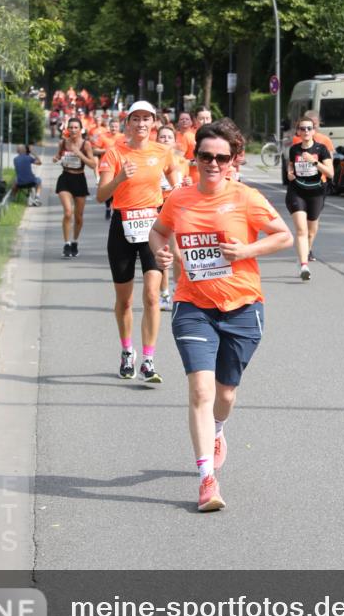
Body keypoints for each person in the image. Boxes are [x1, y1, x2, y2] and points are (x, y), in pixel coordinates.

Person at [149, 120, 293, 512]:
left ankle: (217, 429)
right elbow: (159, 232)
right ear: (194, 157)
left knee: (225, 394)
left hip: (242, 306)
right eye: (206, 156)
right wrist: (161, 253)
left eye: (221, 158)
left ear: (233, 161)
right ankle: (206, 480)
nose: (213, 163)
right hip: (193, 305)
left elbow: (284, 235)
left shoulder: (246, 197)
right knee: (201, 391)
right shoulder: (179, 198)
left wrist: (247, 251)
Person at [97, 101, 181, 384]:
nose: (141, 124)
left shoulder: (162, 152)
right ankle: (126, 352)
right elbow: (101, 195)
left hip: (152, 228)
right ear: (128, 123)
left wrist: (178, 188)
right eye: (136, 119)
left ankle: (148, 359)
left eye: (147, 119)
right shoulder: (114, 153)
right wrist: (120, 178)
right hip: (122, 227)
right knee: (125, 300)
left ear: (153, 123)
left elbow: (175, 181)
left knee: (152, 295)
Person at [286, 118, 334, 280]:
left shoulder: (321, 149)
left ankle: (304, 253)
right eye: (302, 128)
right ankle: (304, 266)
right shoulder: (294, 149)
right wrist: (289, 173)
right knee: (301, 230)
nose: (306, 131)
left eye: (309, 128)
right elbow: (291, 165)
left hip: (316, 192)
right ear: (298, 132)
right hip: (296, 191)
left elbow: (330, 173)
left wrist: (314, 162)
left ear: (313, 131)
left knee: (311, 232)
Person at [156, 124, 190, 311]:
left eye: (169, 137)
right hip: (156, 206)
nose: (165, 140)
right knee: (163, 253)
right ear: (157, 140)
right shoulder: (151, 159)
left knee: (177, 254)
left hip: (175, 207)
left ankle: (178, 291)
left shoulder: (182, 161)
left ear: (174, 141)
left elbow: (187, 186)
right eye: (162, 137)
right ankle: (164, 294)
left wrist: (188, 183)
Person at [52, 116, 95, 258]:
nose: (73, 130)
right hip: (65, 178)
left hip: (79, 179)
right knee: (68, 212)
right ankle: (66, 244)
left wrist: (79, 153)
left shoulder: (86, 144)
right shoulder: (63, 143)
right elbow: (58, 156)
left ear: (81, 129)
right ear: (67, 129)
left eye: (76, 127)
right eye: (70, 127)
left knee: (78, 217)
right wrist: (56, 158)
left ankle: (75, 241)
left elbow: (93, 164)